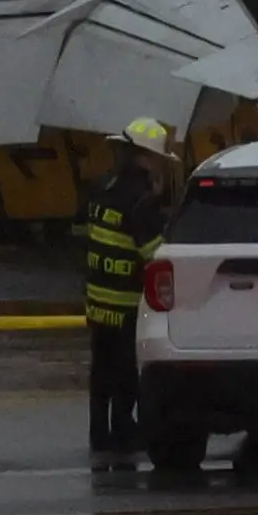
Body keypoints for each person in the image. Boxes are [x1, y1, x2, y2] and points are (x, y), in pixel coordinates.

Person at [80, 118, 182, 455]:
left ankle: (98, 431)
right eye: (156, 160)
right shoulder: (142, 200)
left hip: (97, 301)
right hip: (126, 304)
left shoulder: (101, 187)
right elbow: (153, 255)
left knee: (101, 369)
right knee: (126, 371)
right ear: (144, 158)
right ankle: (123, 429)